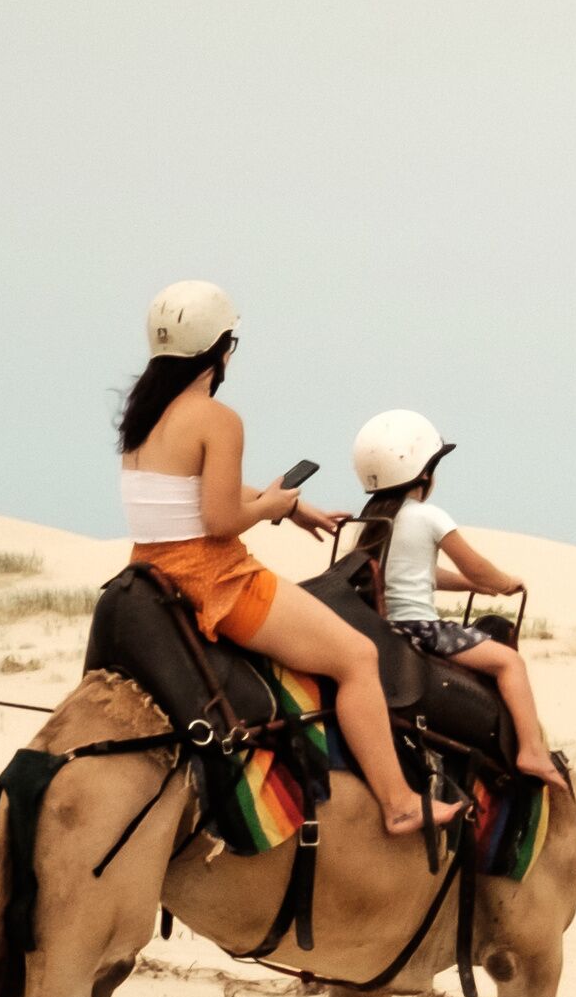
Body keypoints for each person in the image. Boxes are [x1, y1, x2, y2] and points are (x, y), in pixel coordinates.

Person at [113, 280, 431, 835]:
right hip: (217, 580)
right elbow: (219, 520)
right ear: (221, 348)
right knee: (358, 657)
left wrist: (289, 506)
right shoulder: (218, 418)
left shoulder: (146, 416)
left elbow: (189, 494)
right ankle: (400, 803)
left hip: (153, 573)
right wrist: (269, 508)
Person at [350, 409, 568, 788]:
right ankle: (532, 751)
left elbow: (422, 573)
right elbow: (477, 566)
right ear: (424, 473)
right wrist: (503, 582)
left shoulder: (372, 521)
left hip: (382, 630)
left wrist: (471, 586)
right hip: (423, 630)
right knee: (510, 663)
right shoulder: (428, 516)